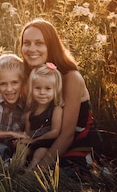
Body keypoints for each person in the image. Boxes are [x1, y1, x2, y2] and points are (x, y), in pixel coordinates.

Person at [18, 18, 103, 177]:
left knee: (59, 177)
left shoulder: (71, 77)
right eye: (27, 43)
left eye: (39, 43)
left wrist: (36, 173)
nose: (31, 48)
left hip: (77, 141)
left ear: (51, 46)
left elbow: (67, 134)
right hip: (45, 140)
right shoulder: (30, 76)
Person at [22, 62, 64, 170]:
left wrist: (36, 140)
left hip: (45, 143)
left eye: (48, 89)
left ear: (56, 90)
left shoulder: (56, 109)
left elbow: (55, 132)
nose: (42, 92)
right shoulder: (29, 114)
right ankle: (13, 169)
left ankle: (29, 174)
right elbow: (27, 134)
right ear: (32, 89)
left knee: (40, 152)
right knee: (21, 149)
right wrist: (21, 140)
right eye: (38, 88)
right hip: (31, 143)